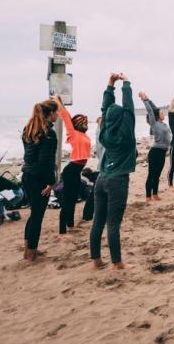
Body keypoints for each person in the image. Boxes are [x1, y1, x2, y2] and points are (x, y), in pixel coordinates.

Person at [91, 72, 137, 270]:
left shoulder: (103, 132)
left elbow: (105, 107)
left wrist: (110, 84)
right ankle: (117, 263)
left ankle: (96, 260)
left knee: (97, 221)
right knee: (113, 224)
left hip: (101, 179)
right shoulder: (126, 134)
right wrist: (126, 84)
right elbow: (129, 109)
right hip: (117, 181)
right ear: (121, 119)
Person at [20, 99, 59, 261]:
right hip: (38, 179)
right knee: (37, 216)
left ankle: (28, 249)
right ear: (50, 114)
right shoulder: (49, 134)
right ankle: (32, 253)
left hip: (27, 176)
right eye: (56, 112)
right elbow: (46, 161)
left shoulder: (28, 129)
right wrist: (51, 182)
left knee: (33, 214)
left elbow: (29, 156)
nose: (57, 115)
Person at [52, 95, 91, 235]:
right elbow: (66, 117)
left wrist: (61, 102)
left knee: (73, 198)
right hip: (71, 170)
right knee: (68, 200)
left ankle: (71, 225)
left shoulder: (84, 134)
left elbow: (68, 115)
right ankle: (62, 230)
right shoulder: (73, 133)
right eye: (83, 121)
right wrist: (58, 102)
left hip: (76, 171)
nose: (85, 123)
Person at [139, 92, 172, 201]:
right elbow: (150, 111)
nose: (163, 114)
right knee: (151, 174)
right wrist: (144, 100)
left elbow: (155, 109)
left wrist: (149, 98)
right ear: (158, 116)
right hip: (155, 152)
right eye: (162, 113)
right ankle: (148, 196)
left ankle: (155, 194)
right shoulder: (154, 123)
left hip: (163, 152)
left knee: (157, 175)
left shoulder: (164, 125)